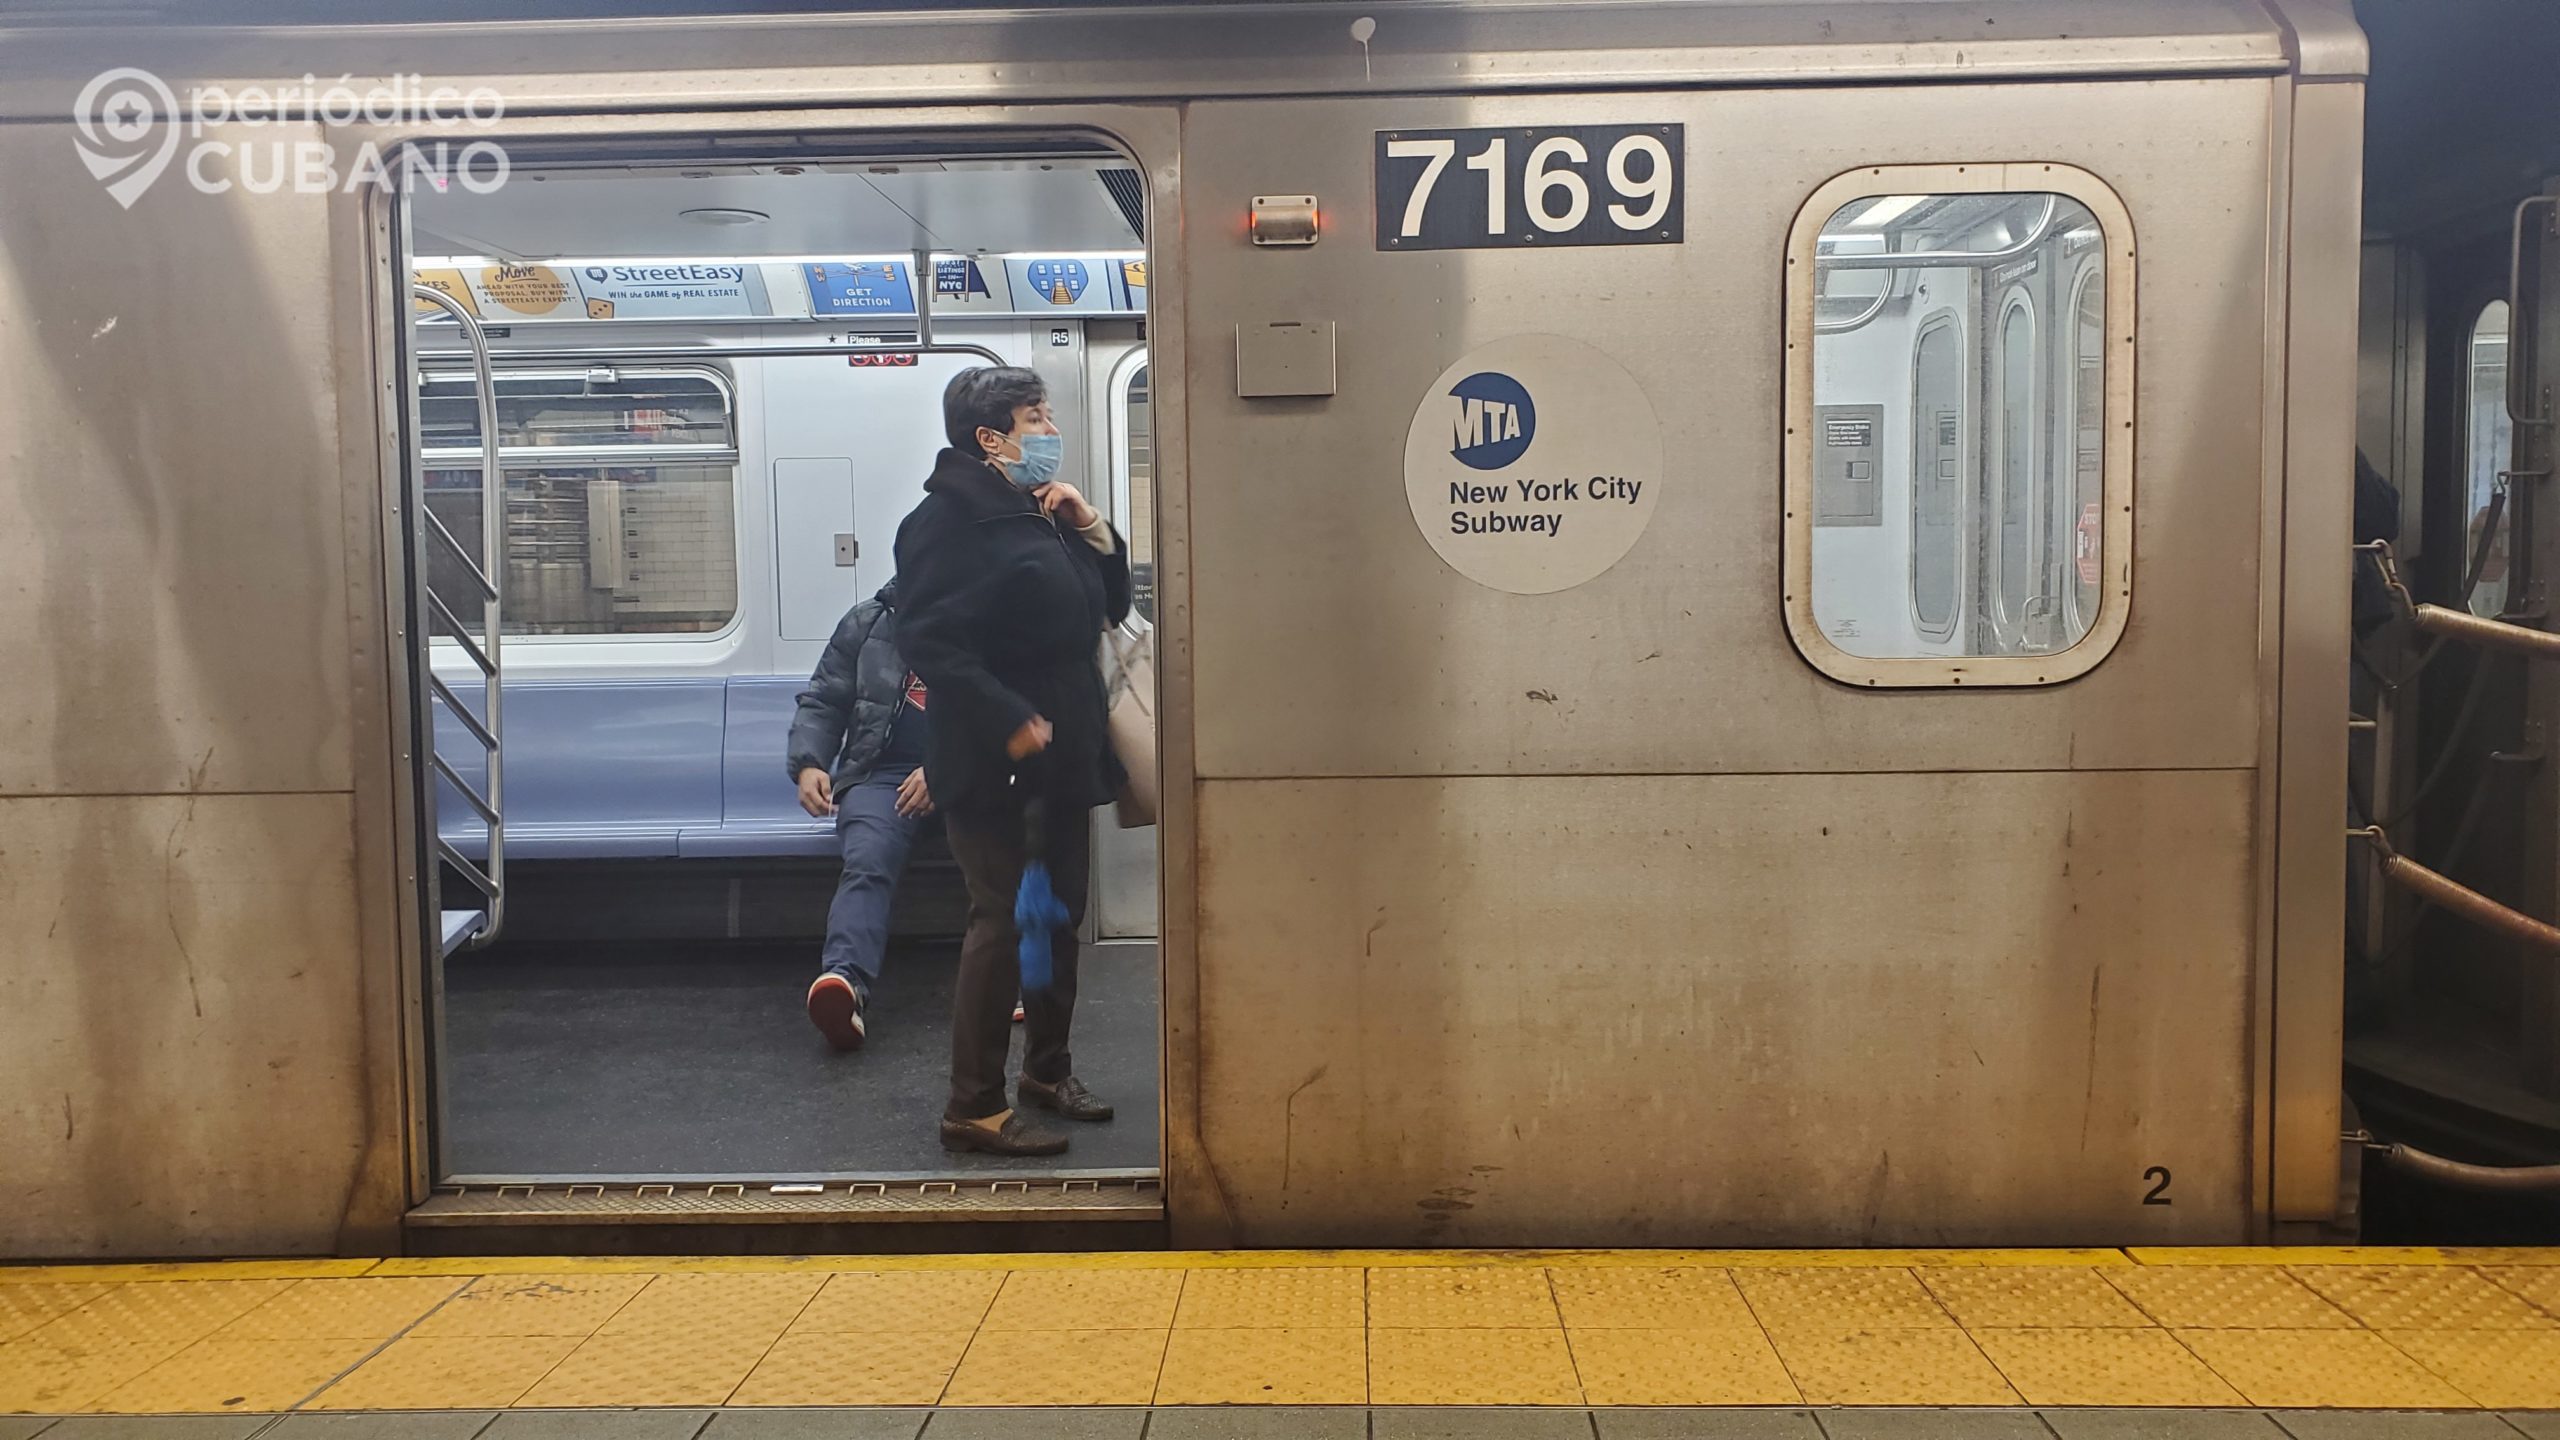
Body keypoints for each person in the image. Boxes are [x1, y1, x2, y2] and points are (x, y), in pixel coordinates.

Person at [895, 366, 1131, 1157]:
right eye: (1037, 418)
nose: (1049, 429)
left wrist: (1091, 526)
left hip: (1060, 756)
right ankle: (974, 1105)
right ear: (991, 439)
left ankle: (1047, 1071)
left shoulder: (1037, 515)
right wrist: (1010, 718)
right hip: (996, 759)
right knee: (1001, 923)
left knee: (1056, 921)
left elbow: (1112, 607)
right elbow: (929, 640)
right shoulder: (949, 521)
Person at [787, 580, 935, 1051]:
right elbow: (824, 700)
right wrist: (810, 761)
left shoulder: (986, 618)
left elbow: (1007, 713)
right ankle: (844, 985)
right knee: (869, 858)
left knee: (1005, 848)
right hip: (881, 773)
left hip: (968, 770)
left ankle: (1019, 980)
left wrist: (947, 768)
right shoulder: (867, 623)